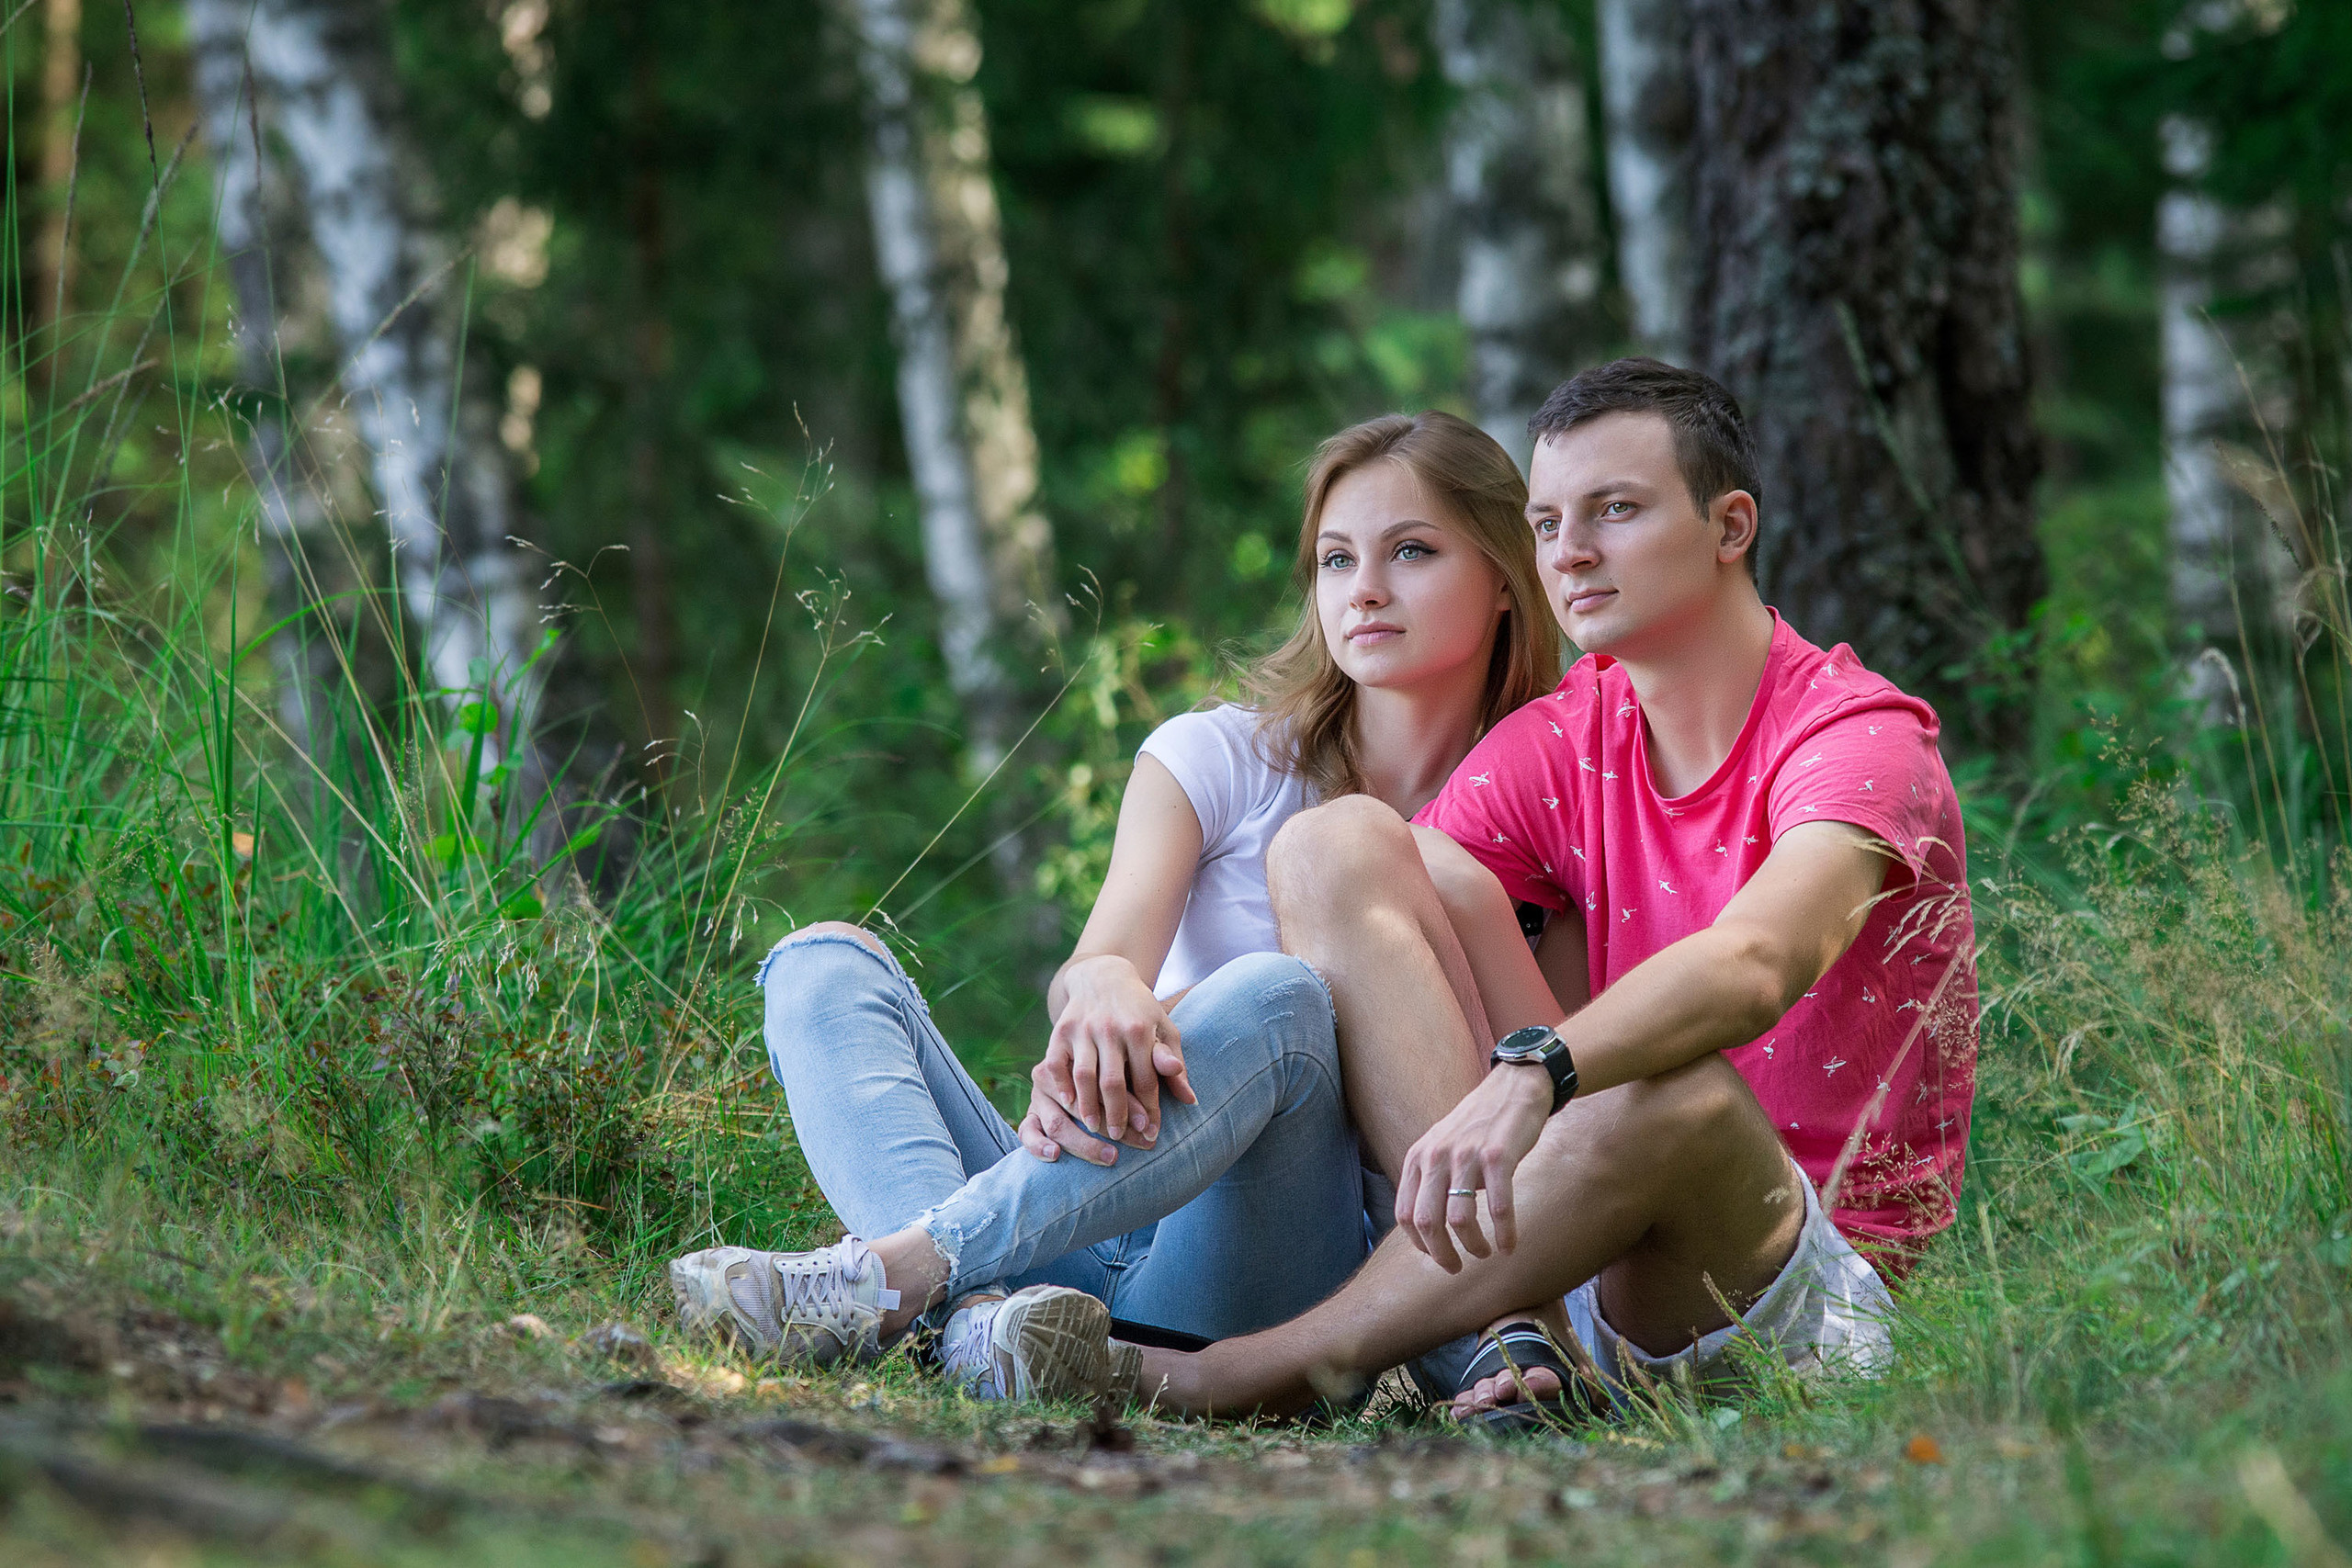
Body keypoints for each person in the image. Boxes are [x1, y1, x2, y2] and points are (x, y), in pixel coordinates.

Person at [1124, 357, 1979, 1424]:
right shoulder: (1568, 734)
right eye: (1545, 522)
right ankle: (1519, 1336)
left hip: (1787, 1280)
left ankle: (1229, 1376)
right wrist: (1143, 1019)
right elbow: (1363, 939)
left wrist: (1537, 1072)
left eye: (1615, 510)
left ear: (1729, 527)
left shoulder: (1855, 737)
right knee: (1334, 845)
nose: (1569, 551)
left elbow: (1758, 964)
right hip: (1576, 1250)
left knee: (1671, 1092)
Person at [668, 410, 1566, 1403]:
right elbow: (1099, 963)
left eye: (1412, 551)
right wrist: (1103, 997)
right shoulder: (1222, 756)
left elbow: (1562, 1111)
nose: (1364, 589)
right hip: (1068, 1217)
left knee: (1279, 996)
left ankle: (896, 1279)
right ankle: (972, 1332)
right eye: (1335, 558)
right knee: (823, 964)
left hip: (1259, 1272)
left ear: (1504, 577)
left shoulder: (1541, 831)